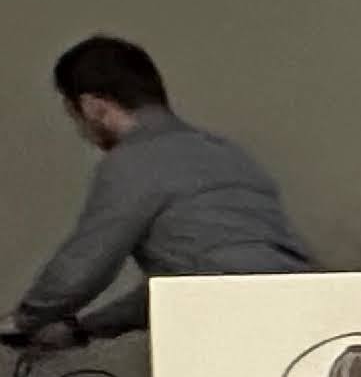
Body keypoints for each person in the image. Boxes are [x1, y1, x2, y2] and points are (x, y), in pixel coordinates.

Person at [6, 37, 308, 356]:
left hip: (230, 329)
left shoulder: (133, 160)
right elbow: (192, 281)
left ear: (93, 107)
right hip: (301, 316)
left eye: (75, 118)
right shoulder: (230, 156)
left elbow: (84, 266)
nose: (83, 133)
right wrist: (84, 328)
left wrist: (22, 321)